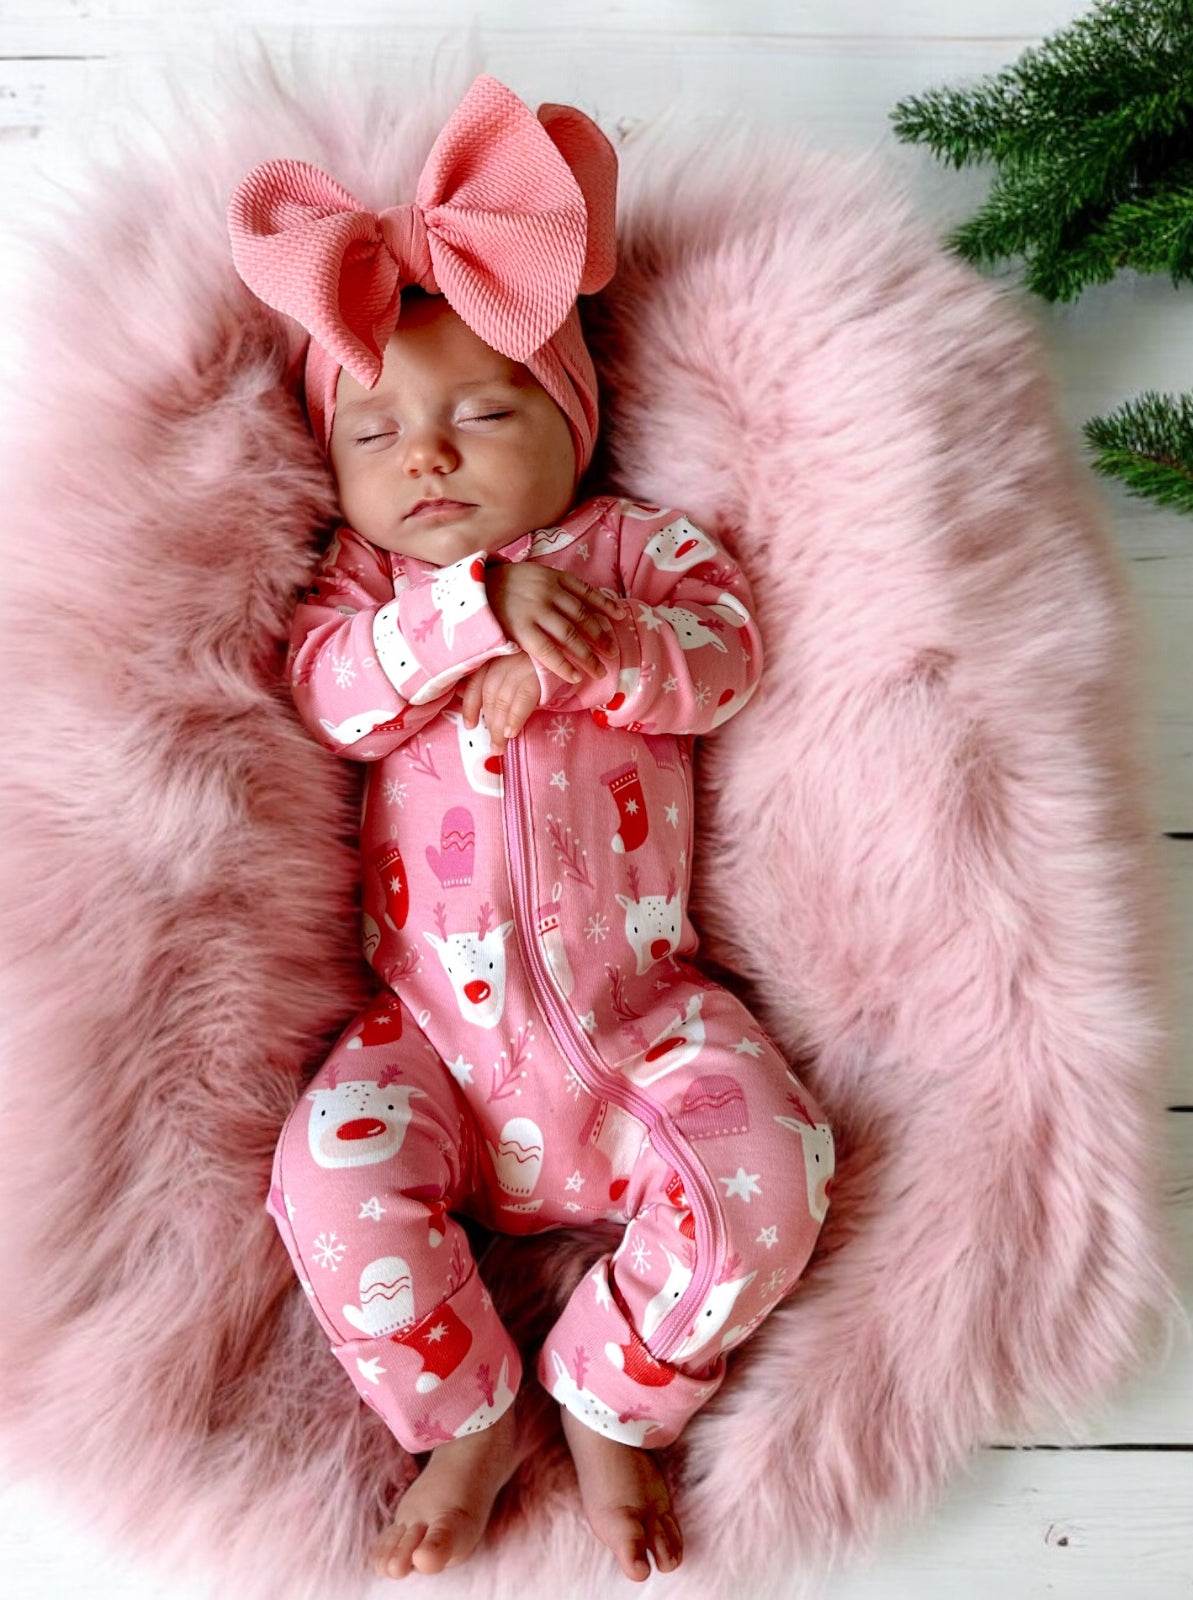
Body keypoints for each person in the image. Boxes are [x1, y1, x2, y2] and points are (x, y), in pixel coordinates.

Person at [228, 73, 834, 1585]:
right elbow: (336, 703)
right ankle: (464, 1414)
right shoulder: (370, 602)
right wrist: (463, 610)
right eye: (376, 433)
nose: (425, 454)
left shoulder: (638, 548)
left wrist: (604, 642)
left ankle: (618, 1392)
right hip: (425, 1033)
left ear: (570, 424)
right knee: (326, 1183)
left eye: (480, 413)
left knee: (780, 1167)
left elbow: (723, 662)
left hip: (641, 1025)